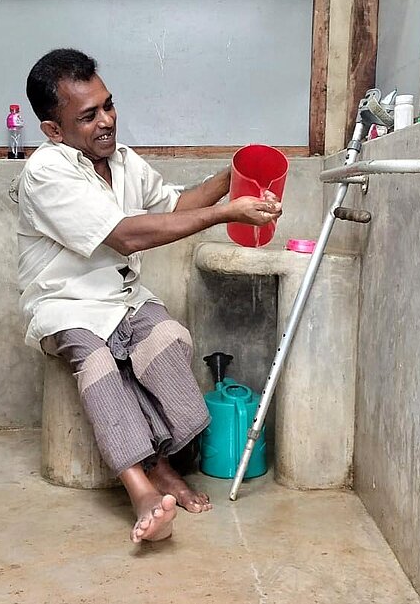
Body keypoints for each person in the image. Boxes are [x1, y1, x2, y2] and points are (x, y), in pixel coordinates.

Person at [16, 48, 282, 543]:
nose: (107, 121)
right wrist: (226, 215)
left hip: (123, 299)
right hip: (65, 304)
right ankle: (139, 487)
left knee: (168, 337)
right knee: (98, 361)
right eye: (88, 115)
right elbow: (127, 236)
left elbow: (175, 205)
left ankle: (159, 462)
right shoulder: (46, 171)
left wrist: (232, 177)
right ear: (53, 130)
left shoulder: (123, 161)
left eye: (109, 105)